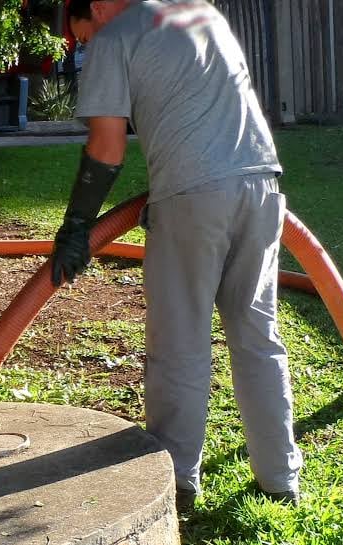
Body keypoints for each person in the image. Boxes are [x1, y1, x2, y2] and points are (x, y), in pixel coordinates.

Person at [51, 0, 302, 512]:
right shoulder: (199, 11)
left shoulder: (115, 33)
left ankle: (176, 483)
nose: (82, 45)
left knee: (180, 345)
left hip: (194, 199)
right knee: (258, 336)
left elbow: (107, 145)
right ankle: (280, 478)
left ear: (97, 6)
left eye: (80, 32)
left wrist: (77, 225)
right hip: (261, 186)